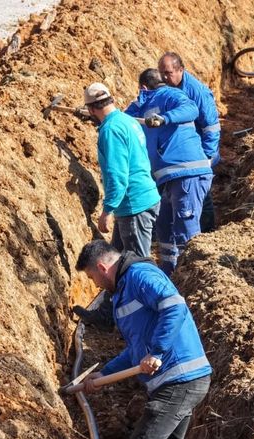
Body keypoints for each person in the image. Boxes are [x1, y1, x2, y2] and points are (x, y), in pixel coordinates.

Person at [76, 239, 211, 439]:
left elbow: (174, 306)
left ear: (103, 267)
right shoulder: (124, 289)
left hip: (179, 378)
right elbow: (137, 350)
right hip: (179, 380)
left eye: (92, 277)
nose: (95, 286)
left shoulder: (140, 275)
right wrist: (104, 374)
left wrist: (158, 352)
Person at [74, 83, 161, 328]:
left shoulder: (110, 131)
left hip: (132, 205)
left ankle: (145, 321)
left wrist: (107, 210)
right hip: (142, 198)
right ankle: (108, 314)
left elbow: (117, 174)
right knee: (115, 263)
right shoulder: (128, 121)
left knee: (136, 269)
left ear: (91, 110)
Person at [125, 69, 212, 275]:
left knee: (185, 231)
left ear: (143, 87)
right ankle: (170, 273)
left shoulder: (171, 95)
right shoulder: (141, 104)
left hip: (187, 172)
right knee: (164, 226)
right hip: (167, 176)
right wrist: (99, 115)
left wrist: (165, 118)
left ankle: (193, 276)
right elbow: (122, 120)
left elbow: (191, 108)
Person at [158, 52, 221, 233]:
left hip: (199, 153)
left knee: (201, 193)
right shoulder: (167, 90)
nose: (164, 77)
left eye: (168, 73)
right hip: (179, 152)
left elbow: (211, 127)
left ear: (181, 70)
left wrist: (206, 157)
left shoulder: (197, 92)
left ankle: (207, 231)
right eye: (161, 72)